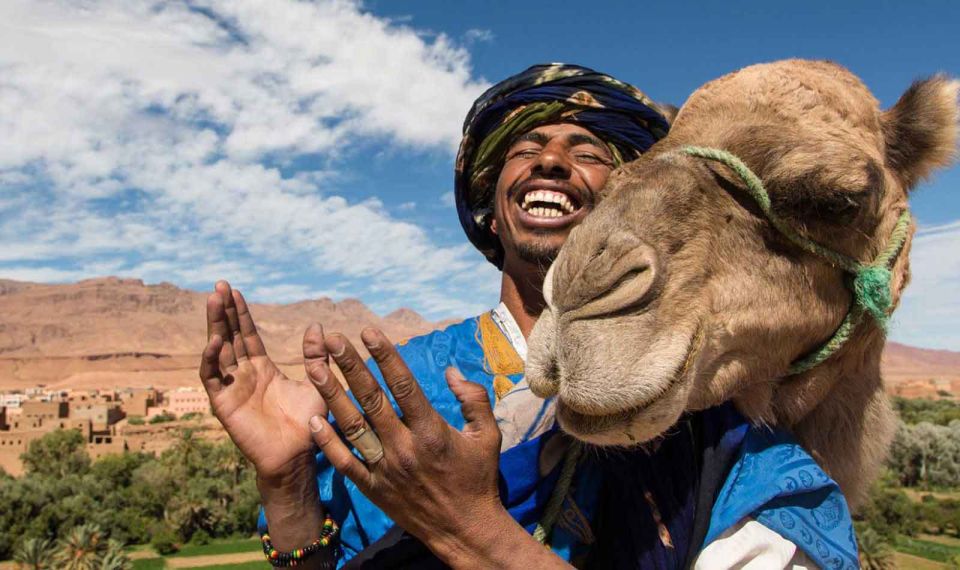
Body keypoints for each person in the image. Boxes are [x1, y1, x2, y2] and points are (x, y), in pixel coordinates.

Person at [200, 64, 858, 569]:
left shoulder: (713, 429)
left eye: (590, 151)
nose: (552, 160)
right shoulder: (405, 384)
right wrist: (285, 482)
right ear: (491, 205)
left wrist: (471, 529)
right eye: (528, 146)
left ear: (630, 197)